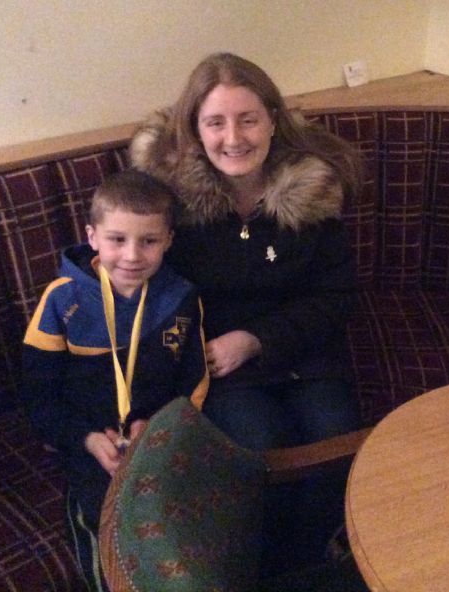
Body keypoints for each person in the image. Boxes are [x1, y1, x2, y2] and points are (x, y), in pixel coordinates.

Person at [129, 51, 363, 573]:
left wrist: (256, 339)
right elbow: (147, 296)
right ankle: (271, 569)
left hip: (305, 350)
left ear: (273, 121)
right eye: (216, 122)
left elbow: (336, 295)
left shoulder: (312, 191)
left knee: (337, 441)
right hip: (218, 366)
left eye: (248, 119)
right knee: (260, 449)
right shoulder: (168, 204)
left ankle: (312, 568)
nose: (233, 138)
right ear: (195, 130)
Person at [22, 169, 208, 590]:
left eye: (149, 241)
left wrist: (158, 427)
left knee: (183, 510)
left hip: (156, 434)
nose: (132, 255)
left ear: (169, 240)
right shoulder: (61, 300)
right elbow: (38, 396)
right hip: (86, 440)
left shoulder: (181, 296)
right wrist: (86, 438)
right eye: (117, 239)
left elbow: (193, 380)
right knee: (102, 516)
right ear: (92, 237)